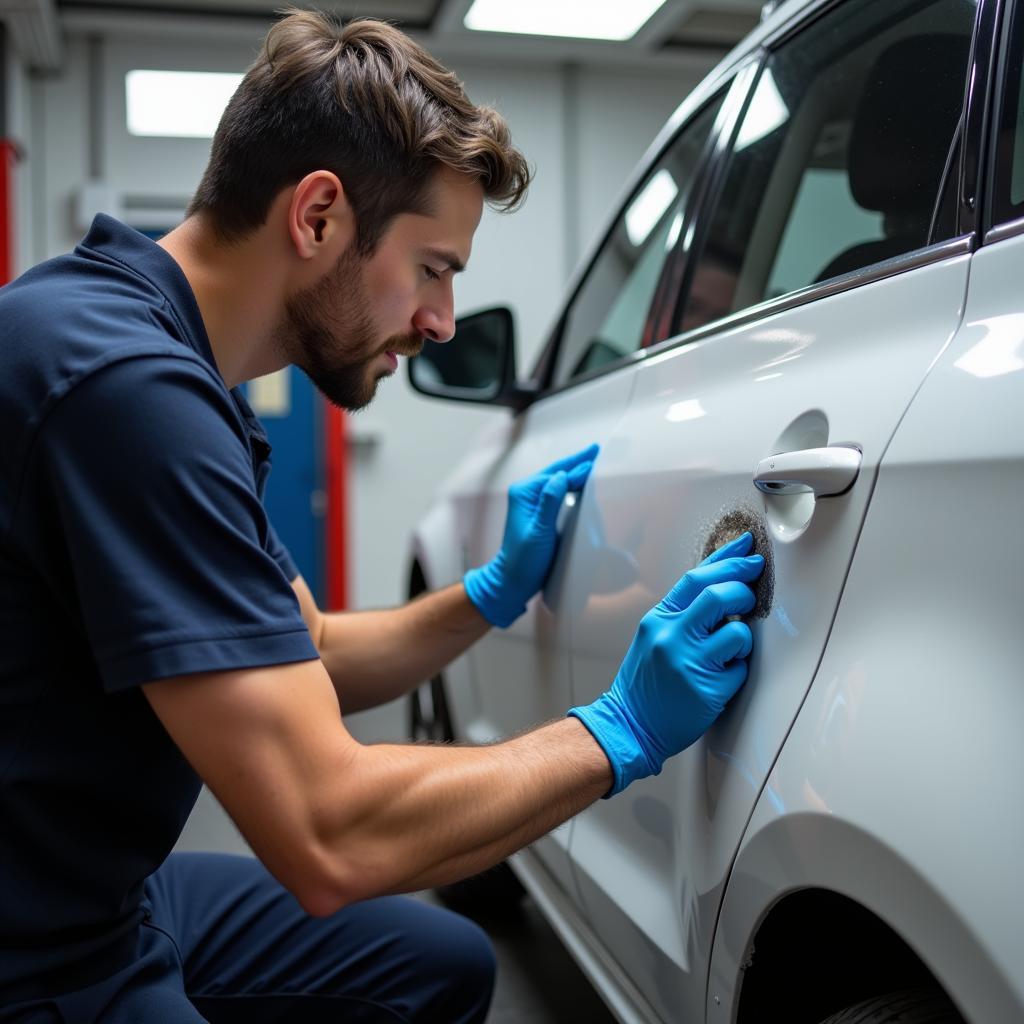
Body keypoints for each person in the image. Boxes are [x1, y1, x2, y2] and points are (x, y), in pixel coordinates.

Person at [0, 10, 764, 1023]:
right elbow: (329, 835)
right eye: (434, 268)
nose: (442, 322)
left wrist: (487, 597)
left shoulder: (171, 355)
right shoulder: (125, 388)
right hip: (38, 951)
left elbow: (304, 646)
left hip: (92, 889)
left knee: (438, 959)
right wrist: (615, 731)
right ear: (317, 217)